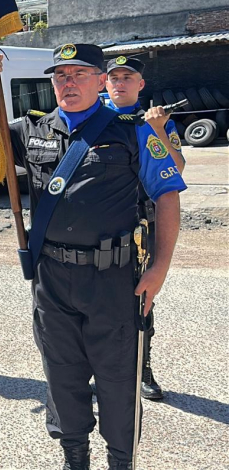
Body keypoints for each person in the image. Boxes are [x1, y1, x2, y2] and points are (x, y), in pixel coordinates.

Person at [0, 44, 185, 469]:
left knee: (118, 379)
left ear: (100, 81)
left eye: (80, 74)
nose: (68, 83)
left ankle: (121, 460)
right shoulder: (31, 128)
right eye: (60, 75)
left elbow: (168, 195)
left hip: (113, 278)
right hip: (52, 278)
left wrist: (159, 268)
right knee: (62, 374)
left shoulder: (132, 130)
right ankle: (74, 457)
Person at [104, 55, 186, 401]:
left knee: (139, 297)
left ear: (140, 84)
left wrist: (158, 129)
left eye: (128, 77)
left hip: (141, 222)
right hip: (101, 219)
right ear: (105, 83)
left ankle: (142, 367)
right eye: (114, 78)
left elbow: (177, 169)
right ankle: (97, 369)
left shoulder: (157, 120)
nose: (120, 83)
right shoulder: (95, 116)